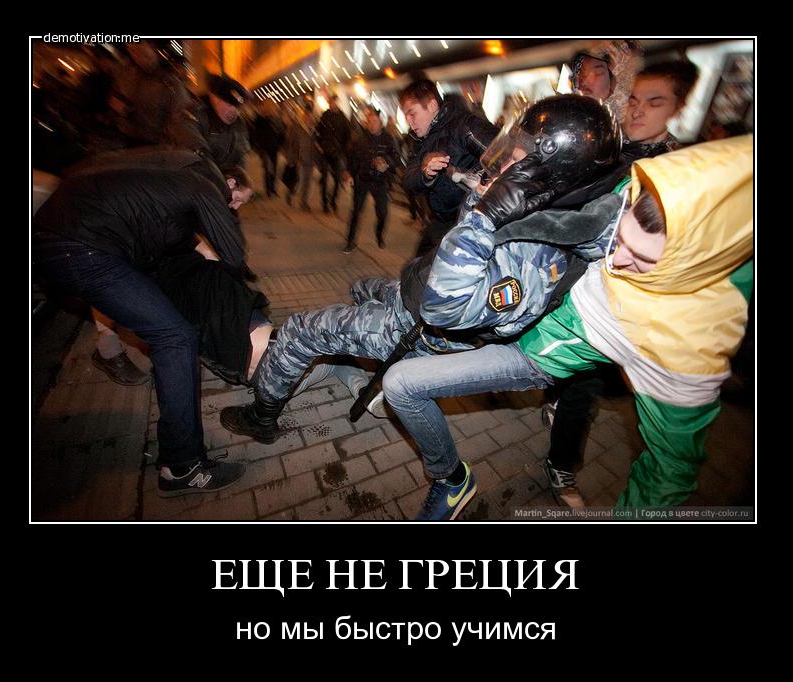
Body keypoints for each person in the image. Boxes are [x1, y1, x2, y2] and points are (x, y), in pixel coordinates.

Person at [217, 96, 621, 464]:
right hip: (410, 292)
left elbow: (443, 307)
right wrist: (479, 200)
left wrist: (486, 216)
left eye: (516, 161)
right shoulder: (537, 212)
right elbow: (461, 238)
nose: (504, 168)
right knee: (359, 288)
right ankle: (350, 356)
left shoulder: (538, 260)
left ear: (548, 174)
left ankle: (262, 416)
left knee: (302, 329)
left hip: (415, 327)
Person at [382, 134, 753, 515]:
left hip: (532, 353)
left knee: (402, 384)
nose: (616, 260)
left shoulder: (687, 344)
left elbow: (669, 471)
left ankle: (451, 480)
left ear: (688, 265)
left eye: (642, 260)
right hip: (515, 304)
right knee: (399, 310)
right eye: (621, 238)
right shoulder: (642, 191)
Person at [32, 164, 253, 497]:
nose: (234, 207)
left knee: (169, 327)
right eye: (237, 199)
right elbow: (234, 254)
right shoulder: (206, 187)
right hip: (79, 245)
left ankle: (180, 460)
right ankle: (182, 467)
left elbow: (163, 229)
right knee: (176, 338)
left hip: (68, 234)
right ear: (230, 182)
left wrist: (201, 249)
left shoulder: (175, 177)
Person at [543, 59, 701, 508]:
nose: (638, 110)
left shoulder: (676, 169)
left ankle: (561, 460)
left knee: (588, 381)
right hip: (567, 274)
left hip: (616, 292)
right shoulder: (609, 144)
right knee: (571, 372)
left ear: (678, 109)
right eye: (634, 99)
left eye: (655, 102)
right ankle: (555, 412)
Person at [399, 79, 499, 255]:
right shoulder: (419, 141)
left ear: (431, 105)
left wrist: (475, 179)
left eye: (412, 114)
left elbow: (504, 156)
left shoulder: (464, 125)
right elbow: (408, 181)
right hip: (442, 222)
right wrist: (425, 173)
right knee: (416, 267)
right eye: (406, 115)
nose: (409, 121)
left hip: (472, 223)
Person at [343, 106, 400, 252]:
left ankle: (379, 234)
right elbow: (352, 157)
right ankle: (350, 241)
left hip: (380, 181)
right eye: (370, 122)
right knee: (356, 211)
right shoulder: (360, 138)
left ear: (381, 123)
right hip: (363, 179)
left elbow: (396, 159)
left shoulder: (389, 139)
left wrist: (386, 163)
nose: (372, 125)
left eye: (375, 122)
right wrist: (349, 172)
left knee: (382, 213)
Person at [175, 73, 252, 171]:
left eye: (237, 107)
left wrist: (237, 176)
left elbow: (240, 156)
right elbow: (196, 157)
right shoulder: (192, 117)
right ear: (214, 98)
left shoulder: (238, 124)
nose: (234, 111)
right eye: (229, 104)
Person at [315, 94, 352, 213]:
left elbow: (347, 135)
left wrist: (343, 150)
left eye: (334, 103)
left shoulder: (342, 117)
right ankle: (325, 203)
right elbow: (318, 131)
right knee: (325, 178)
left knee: (337, 179)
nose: (332, 105)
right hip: (325, 151)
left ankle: (333, 200)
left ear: (337, 103)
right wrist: (319, 145)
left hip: (337, 153)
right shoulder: (325, 115)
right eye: (331, 103)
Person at [284, 102, 318, 211]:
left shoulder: (314, 130)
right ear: (304, 117)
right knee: (298, 182)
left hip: (310, 160)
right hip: (299, 160)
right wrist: (290, 159)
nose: (309, 120)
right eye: (307, 117)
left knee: (307, 183)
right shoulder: (296, 129)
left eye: (311, 118)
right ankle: (290, 192)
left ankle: (304, 203)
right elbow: (290, 144)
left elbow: (316, 145)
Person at [250, 99, 286, 198]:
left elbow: (282, 132)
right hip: (264, 148)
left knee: (274, 169)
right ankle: (269, 190)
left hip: (274, 148)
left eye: (273, 106)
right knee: (268, 169)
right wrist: (259, 148)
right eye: (271, 106)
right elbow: (256, 134)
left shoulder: (276, 119)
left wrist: (280, 144)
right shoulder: (260, 119)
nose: (272, 108)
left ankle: (272, 189)